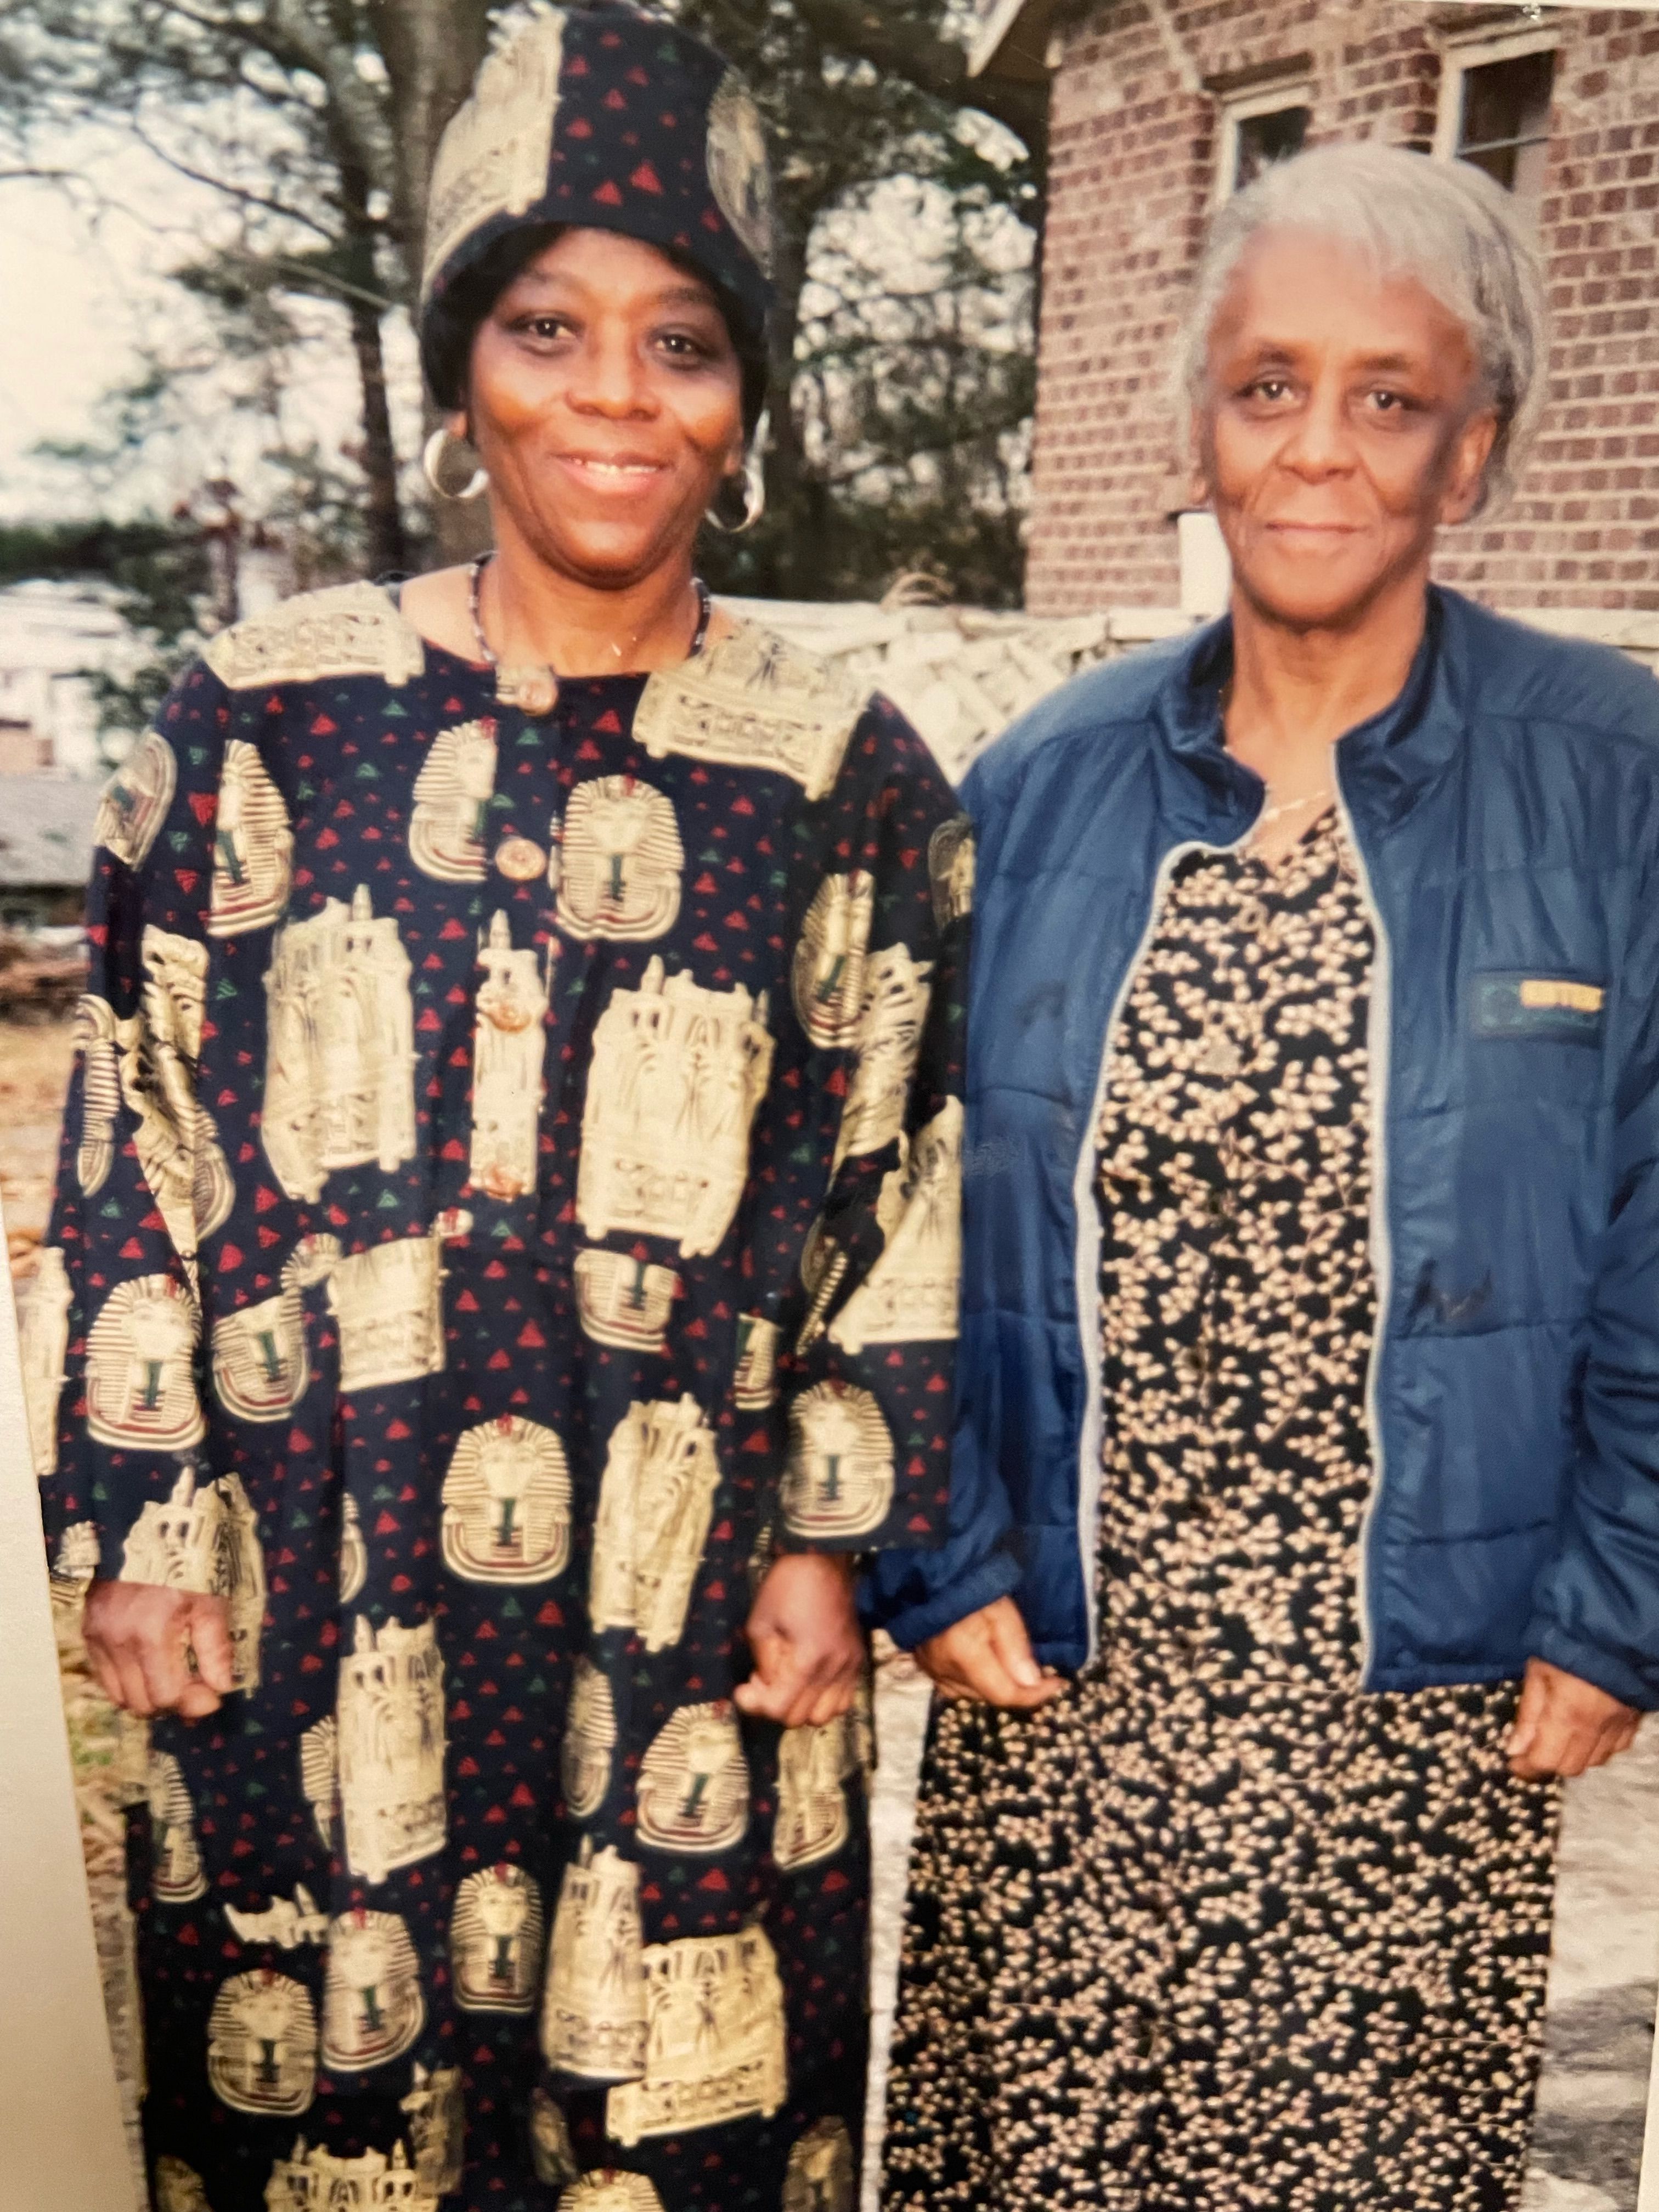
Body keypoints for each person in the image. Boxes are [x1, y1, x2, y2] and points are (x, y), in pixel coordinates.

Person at [26, 10, 968, 2208]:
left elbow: (908, 1170)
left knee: (670, 2125)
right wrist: (139, 1523)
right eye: (548, 328)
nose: (615, 394)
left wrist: (831, 1530)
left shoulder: (843, 772)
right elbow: (134, 1131)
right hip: (311, 1567)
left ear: (746, 398)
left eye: (682, 343)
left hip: (684, 1602)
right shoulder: (261, 719)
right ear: (464, 368)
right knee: (332, 2130)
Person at [872, 139, 1659, 2212]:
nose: (1319, 448)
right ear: (1199, 426)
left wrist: (1622, 1602)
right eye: (1269, 385)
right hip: (1064, 1683)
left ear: (1471, 450)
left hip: (1418, 1703)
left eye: (1389, 397)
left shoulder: (1613, 774)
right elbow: (907, 1207)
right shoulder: (1045, 781)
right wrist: (934, 1550)